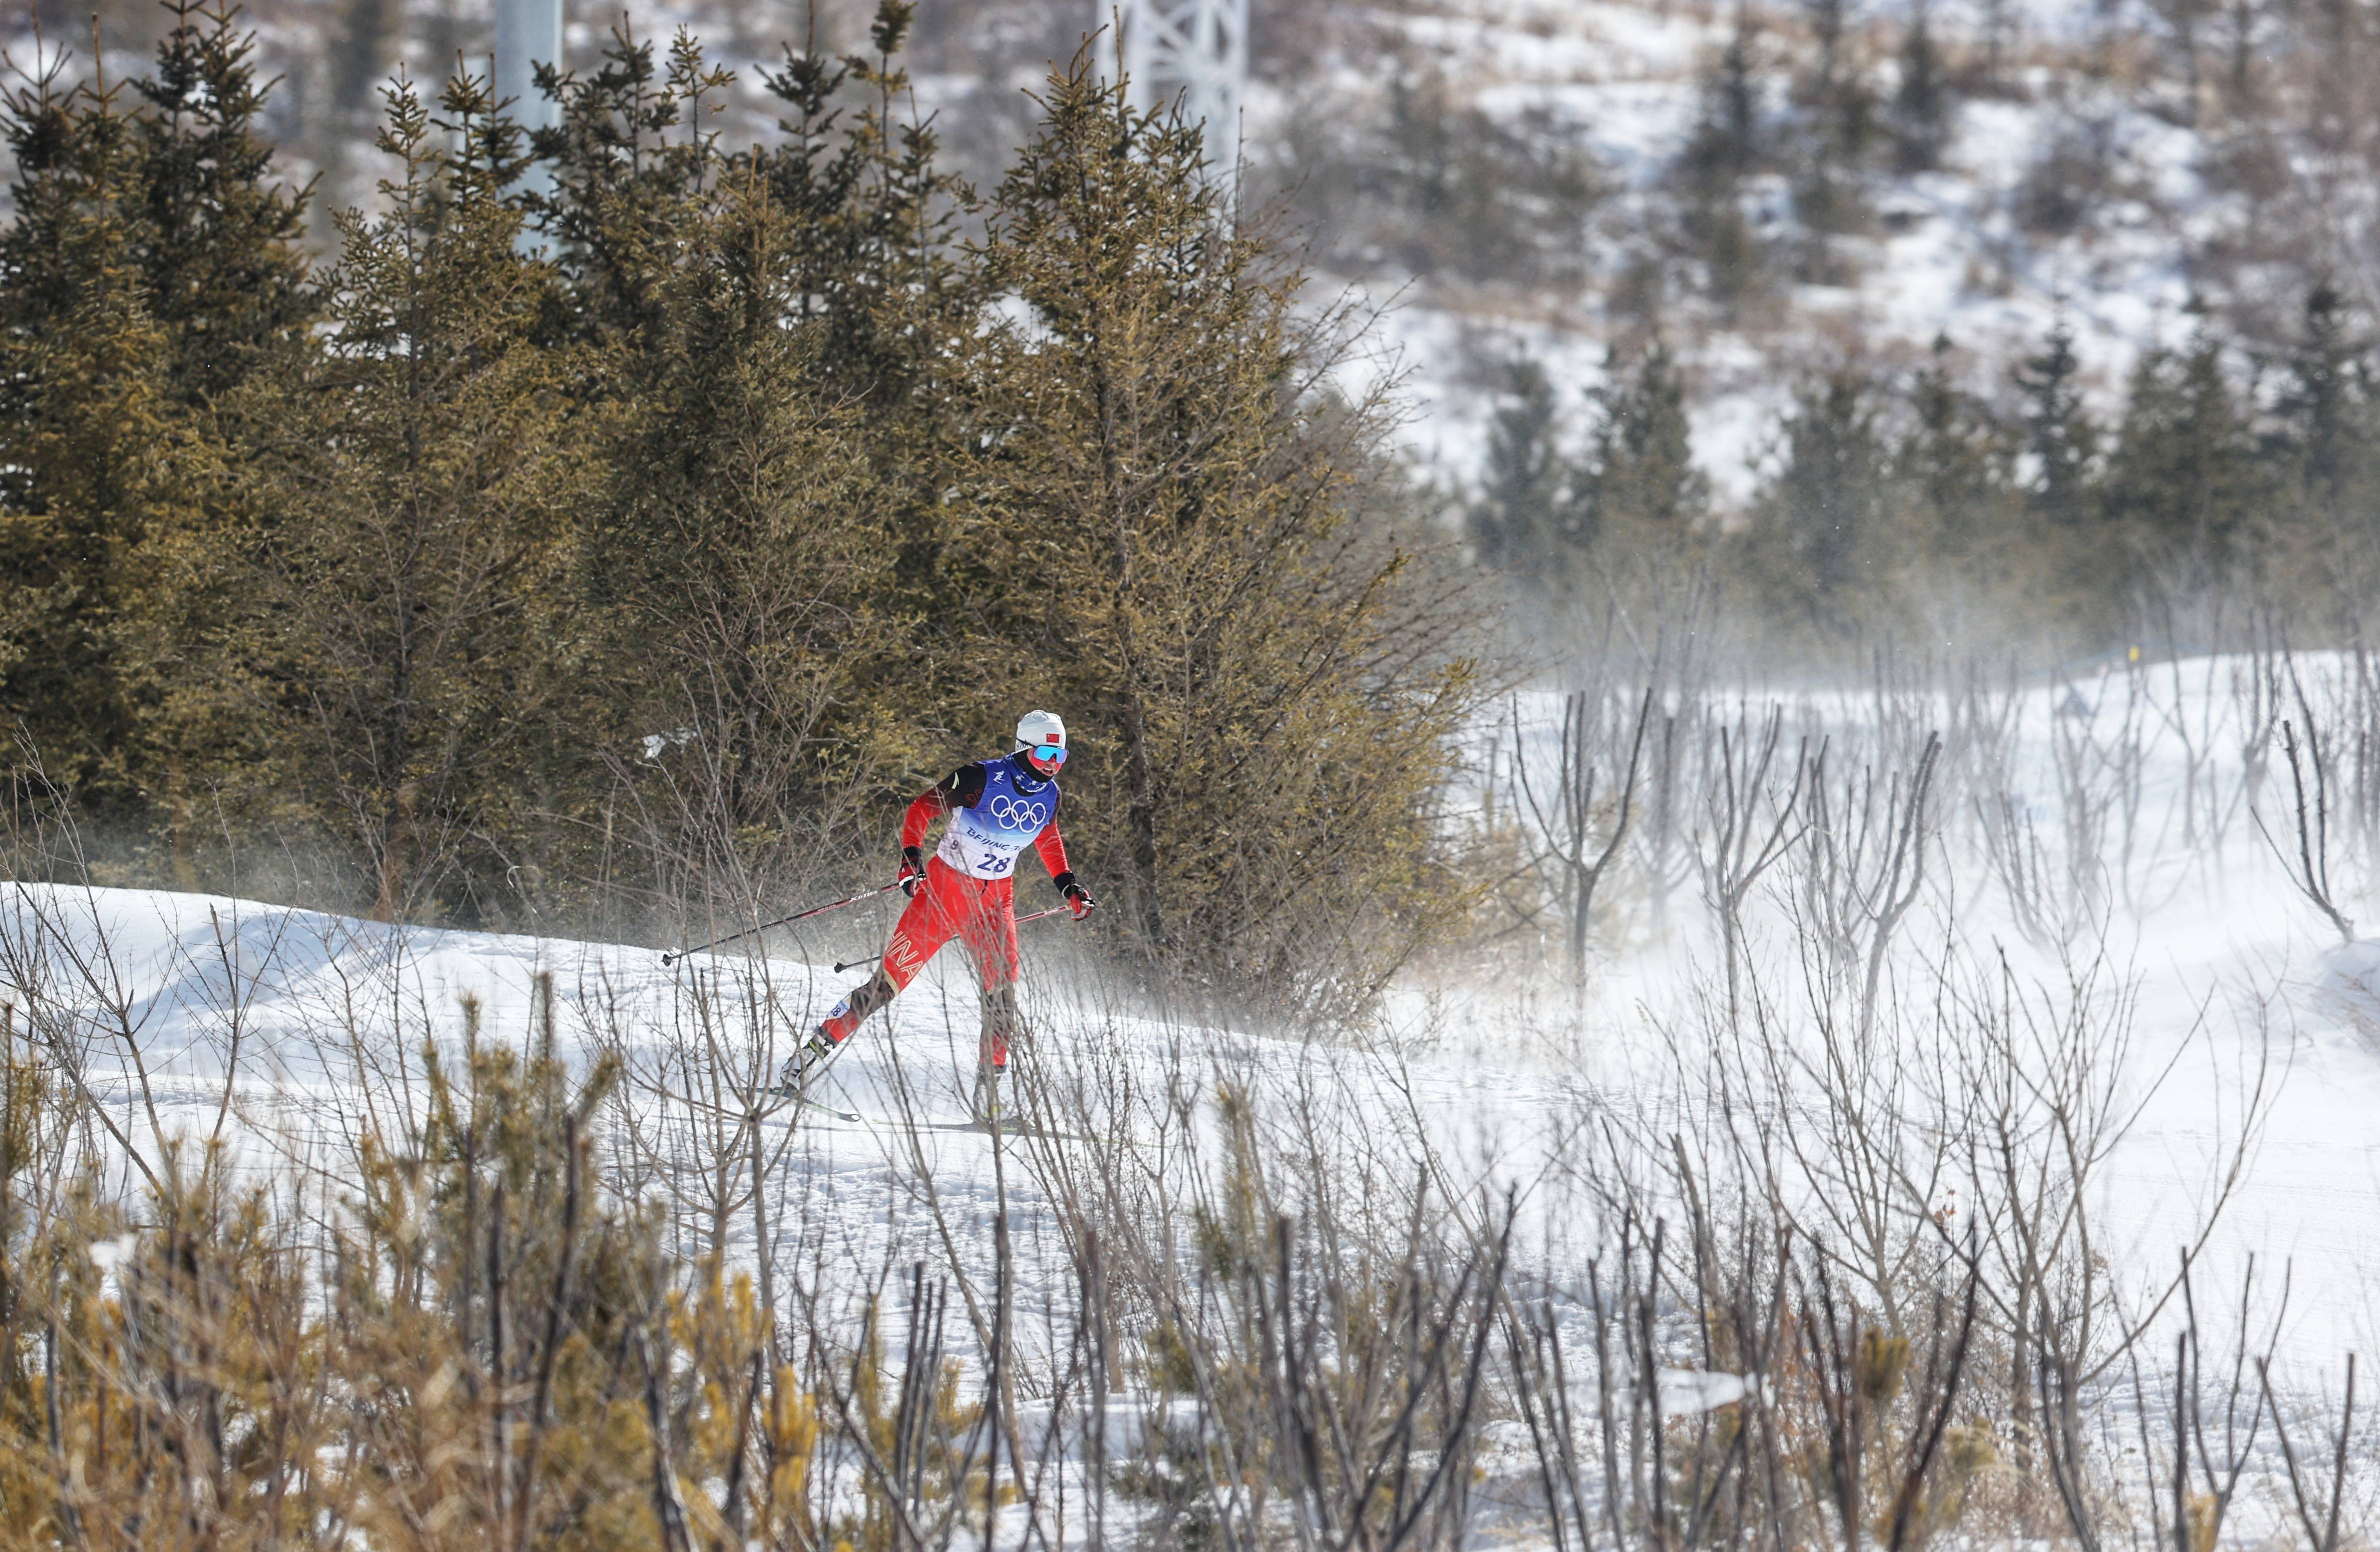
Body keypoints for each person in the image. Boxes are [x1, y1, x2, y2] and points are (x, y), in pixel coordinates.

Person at [775, 710, 1096, 1121]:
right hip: (943, 897)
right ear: (1024, 747)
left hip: (996, 905)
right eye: (1047, 752)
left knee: (1002, 998)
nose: (1053, 763)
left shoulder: (1051, 794)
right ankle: (799, 1064)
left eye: (1061, 755)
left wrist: (1068, 885)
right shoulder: (981, 777)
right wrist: (911, 860)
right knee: (884, 988)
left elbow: (1048, 837)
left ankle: (990, 1104)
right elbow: (921, 809)